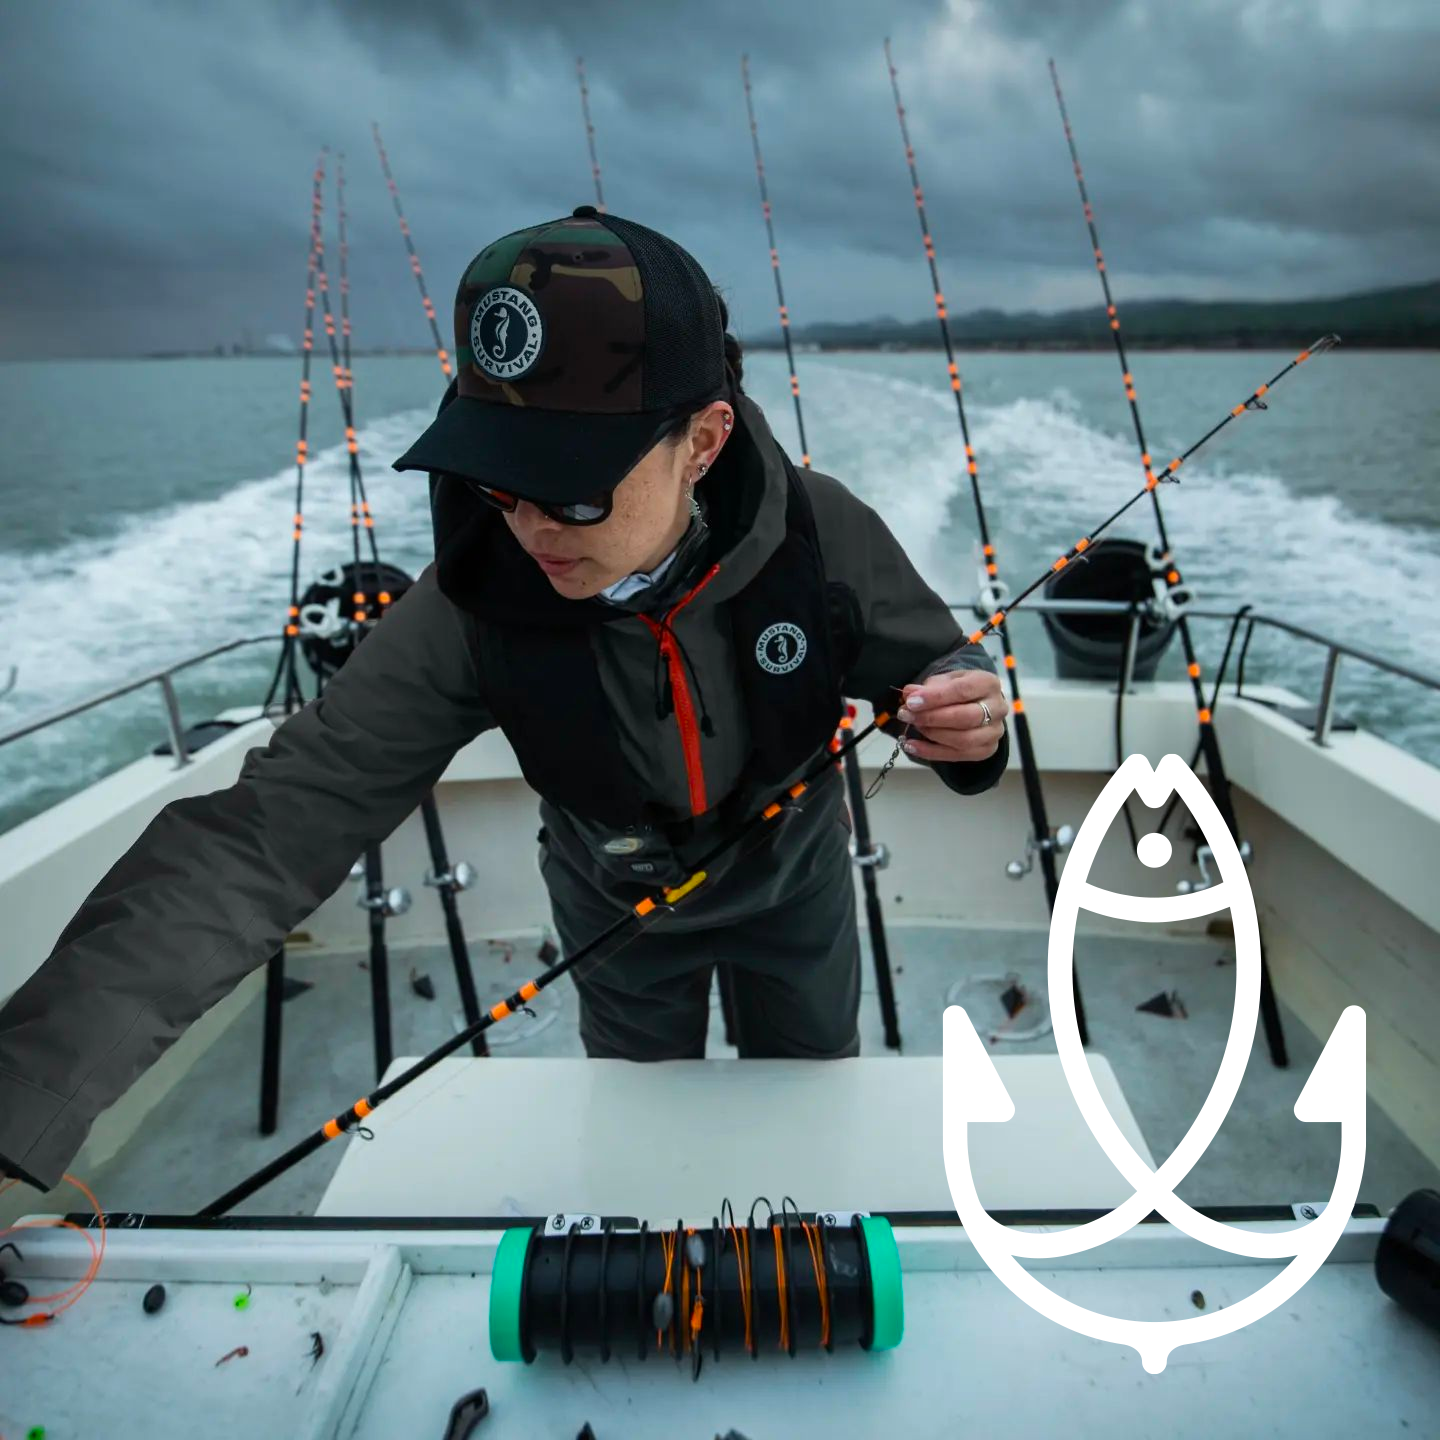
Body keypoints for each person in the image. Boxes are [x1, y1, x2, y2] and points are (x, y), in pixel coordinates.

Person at [0, 207, 1009, 1193]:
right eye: (500, 482)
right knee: (641, 1144)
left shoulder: (821, 531)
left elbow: (941, 662)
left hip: (795, 892)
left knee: (808, 1121)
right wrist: (17, 1100)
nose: (530, 530)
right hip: (615, 908)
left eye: (573, 492)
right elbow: (265, 834)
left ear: (702, 443)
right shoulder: (472, 604)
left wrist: (969, 720)